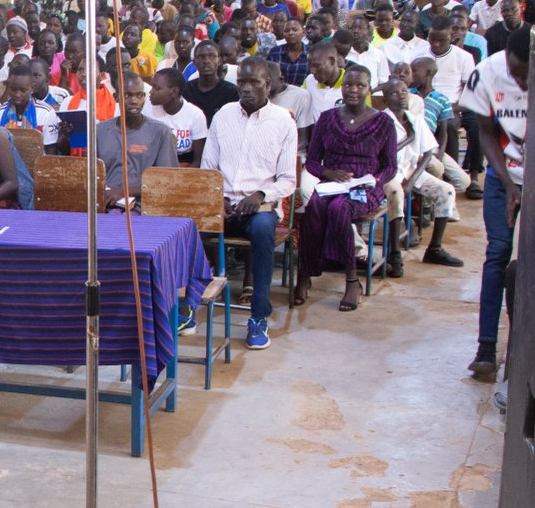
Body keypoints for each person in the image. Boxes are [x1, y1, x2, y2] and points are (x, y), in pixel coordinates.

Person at [199, 61, 298, 349]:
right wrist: (218, 199)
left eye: (254, 82)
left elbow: (288, 180)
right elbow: (208, 168)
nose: (245, 88)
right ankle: (190, 307)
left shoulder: (283, 121)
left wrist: (259, 195)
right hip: (224, 204)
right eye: (241, 81)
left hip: (260, 209)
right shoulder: (223, 116)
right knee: (187, 230)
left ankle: (258, 317)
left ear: (268, 85)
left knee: (263, 232)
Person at [294, 66, 397, 312]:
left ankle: (352, 280)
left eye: (360, 85)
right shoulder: (328, 119)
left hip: (365, 187)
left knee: (340, 209)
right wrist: (329, 173)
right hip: (332, 183)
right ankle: (306, 274)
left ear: (369, 89)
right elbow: (312, 161)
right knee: (315, 206)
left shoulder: (383, 122)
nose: (353, 90)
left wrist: (372, 180)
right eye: (349, 85)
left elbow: (390, 166)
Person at [459, 24, 528, 378]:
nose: (522, 82)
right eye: (517, 73)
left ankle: (524, 347)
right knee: (498, 253)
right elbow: (486, 134)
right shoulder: (486, 73)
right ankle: (486, 346)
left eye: (528, 76)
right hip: (505, 179)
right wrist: (508, 183)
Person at [380, 78, 462, 272]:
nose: (401, 96)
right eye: (394, 93)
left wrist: (413, 181)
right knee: (395, 194)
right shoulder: (381, 121)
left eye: (403, 92)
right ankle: (394, 253)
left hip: (411, 171)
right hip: (389, 172)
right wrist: (409, 138)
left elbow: (428, 153)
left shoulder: (415, 119)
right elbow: (383, 154)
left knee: (447, 191)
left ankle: (434, 248)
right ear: (385, 100)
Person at [98, 78, 178, 210]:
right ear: (116, 97)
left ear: (145, 98)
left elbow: (167, 180)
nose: (134, 101)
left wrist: (123, 191)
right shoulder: (100, 131)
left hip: (144, 208)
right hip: (105, 206)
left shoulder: (160, 131)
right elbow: (92, 176)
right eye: (127, 95)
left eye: (139, 95)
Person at [143, 67, 207, 165]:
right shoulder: (146, 109)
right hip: (155, 166)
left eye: (157, 88)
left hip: (186, 167)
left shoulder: (195, 115)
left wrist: (181, 178)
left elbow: (198, 160)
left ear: (174, 92)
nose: (151, 92)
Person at [182, 40, 239, 123]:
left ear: (219, 61)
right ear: (194, 62)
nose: (206, 61)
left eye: (212, 56)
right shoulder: (185, 90)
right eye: (201, 57)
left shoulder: (232, 92)